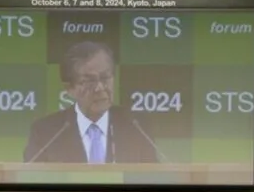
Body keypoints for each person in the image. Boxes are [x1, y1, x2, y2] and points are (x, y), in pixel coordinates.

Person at [23, 41, 159, 164]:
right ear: (70, 88)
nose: (100, 87)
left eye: (105, 77)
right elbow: (30, 181)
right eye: (89, 81)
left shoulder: (136, 126)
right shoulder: (45, 132)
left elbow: (152, 180)